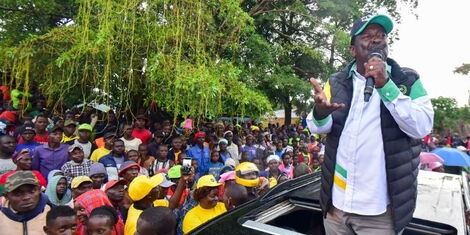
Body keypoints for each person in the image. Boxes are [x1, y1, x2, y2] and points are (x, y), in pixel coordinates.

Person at [306, 14, 434, 234]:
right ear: (353, 50)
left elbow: (422, 127)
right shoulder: (336, 81)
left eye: (381, 36)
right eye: (367, 36)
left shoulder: (407, 80)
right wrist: (320, 111)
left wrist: (386, 86)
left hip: (380, 214)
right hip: (337, 206)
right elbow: (318, 127)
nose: (376, 40)